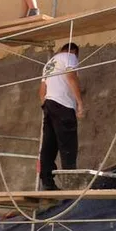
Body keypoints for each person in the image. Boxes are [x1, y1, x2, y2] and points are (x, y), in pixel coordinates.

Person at [38, 42, 84, 191]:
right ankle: (70, 184)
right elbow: (71, 77)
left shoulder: (49, 64)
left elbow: (42, 90)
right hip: (63, 105)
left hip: (49, 104)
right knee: (68, 144)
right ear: (74, 51)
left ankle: (47, 183)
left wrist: (46, 106)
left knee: (49, 145)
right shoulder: (70, 57)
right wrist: (80, 103)